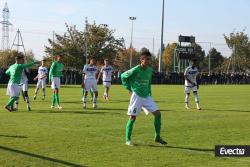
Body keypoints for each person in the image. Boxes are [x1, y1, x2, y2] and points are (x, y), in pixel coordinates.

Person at [121, 50, 167, 146]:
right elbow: (123, 76)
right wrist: (129, 88)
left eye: (149, 59)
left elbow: (148, 83)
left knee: (158, 114)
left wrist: (150, 93)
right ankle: (128, 140)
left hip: (147, 96)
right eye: (146, 59)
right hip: (136, 96)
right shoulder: (135, 69)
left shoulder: (150, 70)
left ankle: (157, 137)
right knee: (133, 117)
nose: (148, 61)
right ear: (141, 60)